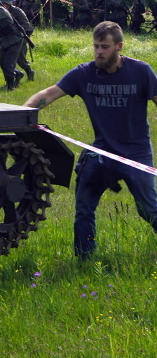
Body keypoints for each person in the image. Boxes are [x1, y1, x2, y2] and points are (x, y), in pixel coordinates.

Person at [23, 22, 157, 258]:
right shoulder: (84, 73)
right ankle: (85, 259)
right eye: (96, 46)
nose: (98, 52)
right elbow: (49, 94)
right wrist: (21, 113)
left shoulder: (141, 71)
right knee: (84, 209)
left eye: (104, 47)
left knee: (149, 210)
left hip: (136, 153)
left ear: (119, 46)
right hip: (100, 152)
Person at [0, 0, 35, 81]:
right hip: (6, 39)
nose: (2, 6)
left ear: (8, 4)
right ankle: (12, 79)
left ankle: (29, 72)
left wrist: (13, 30)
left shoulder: (17, 11)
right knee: (5, 62)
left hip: (19, 39)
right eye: (1, 4)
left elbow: (26, 25)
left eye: (4, 4)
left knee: (21, 61)